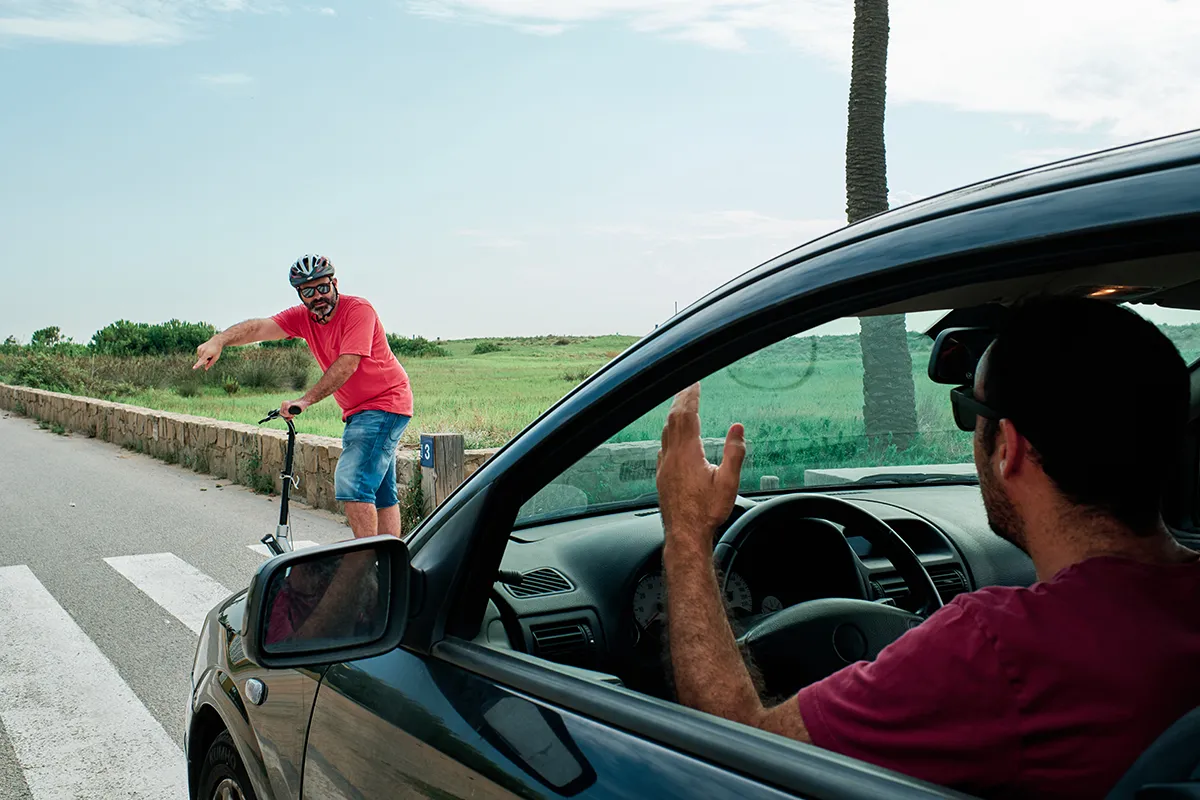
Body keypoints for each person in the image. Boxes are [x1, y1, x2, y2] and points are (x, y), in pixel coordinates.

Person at [655, 296, 1200, 799]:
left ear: (1008, 447)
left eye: (971, 412)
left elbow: (740, 750)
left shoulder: (994, 650)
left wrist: (686, 530)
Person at [193, 254, 414, 538]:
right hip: (362, 409)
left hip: (384, 402)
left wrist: (306, 400)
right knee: (382, 492)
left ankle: (368, 568)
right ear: (300, 294)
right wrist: (219, 340)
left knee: (353, 484)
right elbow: (259, 327)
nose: (317, 296)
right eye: (308, 292)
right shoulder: (302, 318)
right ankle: (391, 568)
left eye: (322, 287)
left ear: (334, 283)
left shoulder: (358, 310)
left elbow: (348, 362)